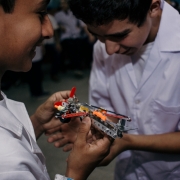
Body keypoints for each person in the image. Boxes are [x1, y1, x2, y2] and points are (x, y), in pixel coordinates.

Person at [48, 0, 180, 179]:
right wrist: (90, 126)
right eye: (98, 36)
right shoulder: (102, 47)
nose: (109, 49)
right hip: (127, 171)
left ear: (153, 8)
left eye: (120, 35)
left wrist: (127, 141)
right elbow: (107, 113)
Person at [0, 0, 112, 180]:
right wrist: (76, 172)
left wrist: (37, 124)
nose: (49, 31)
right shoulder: (6, 163)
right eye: (40, 13)